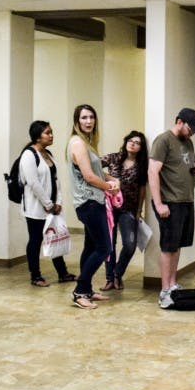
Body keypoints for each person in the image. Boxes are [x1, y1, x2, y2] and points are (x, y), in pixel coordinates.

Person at [148, 108, 195, 309]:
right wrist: (158, 203)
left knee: (177, 245)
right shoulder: (163, 140)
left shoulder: (188, 142)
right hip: (169, 201)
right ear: (180, 122)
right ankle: (164, 291)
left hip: (185, 200)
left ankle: (172, 284)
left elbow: (182, 167)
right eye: (191, 128)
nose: (193, 133)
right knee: (168, 246)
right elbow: (153, 171)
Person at [66, 104, 120, 309]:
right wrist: (109, 187)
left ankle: (86, 289)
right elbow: (89, 177)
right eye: (83, 118)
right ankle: (80, 291)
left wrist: (113, 179)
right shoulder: (78, 143)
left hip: (93, 201)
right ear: (76, 121)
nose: (88, 121)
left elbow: (93, 171)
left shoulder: (87, 143)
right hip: (88, 202)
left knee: (90, 247)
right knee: (104, 247)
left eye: (91, 117)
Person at [21, 120, 76, 287]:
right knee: (36, 240)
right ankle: (35, 276)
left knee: (55, 238)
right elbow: (33, 183)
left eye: (51, 132)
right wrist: (48, 204)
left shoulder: (48, 154)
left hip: (52, 207)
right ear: (37, 136)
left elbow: (56, 180)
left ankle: (62, 273)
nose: (51, 135)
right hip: (35, 208)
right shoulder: (29, 155)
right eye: (47, 133)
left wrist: (57, 202)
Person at [100, 131, 149, 291]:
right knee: (109, 244)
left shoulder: (142, 165)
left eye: (137, 142)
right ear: (126, 141)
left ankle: (117, 274)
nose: (133, 143)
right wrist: (109, 178)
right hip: (109, 207)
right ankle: (109, 279)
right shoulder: (113, 158)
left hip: (129, 209)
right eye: (130, 140)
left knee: (130, 244)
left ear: (141, 148)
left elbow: (142, 189)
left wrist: (139, 210)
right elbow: (91, 166)